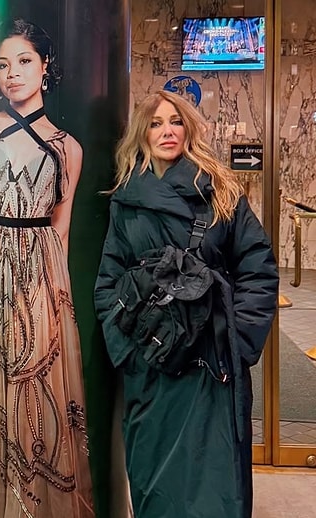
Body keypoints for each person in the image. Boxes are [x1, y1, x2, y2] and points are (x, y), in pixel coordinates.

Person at [94, 90, 279, 518]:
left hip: (211, 369)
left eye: (175, 121)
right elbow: (108, 284)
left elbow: (258, 270)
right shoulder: (126, 201)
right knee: (155, 485)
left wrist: (237, 343)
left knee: (214, 488)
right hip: (153, 367)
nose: (167, 131)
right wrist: (131, 355)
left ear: (188, 130)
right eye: (156, 123)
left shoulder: (220, 191)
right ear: (142, 134)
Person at [0, 18, 94, 518]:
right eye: (3, 64)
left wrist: (54, 303)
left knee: (31, 390)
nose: (13, 73)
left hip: (36, 279)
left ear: (46, 67)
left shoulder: (68, 147)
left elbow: (61, 230)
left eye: (24, 61)